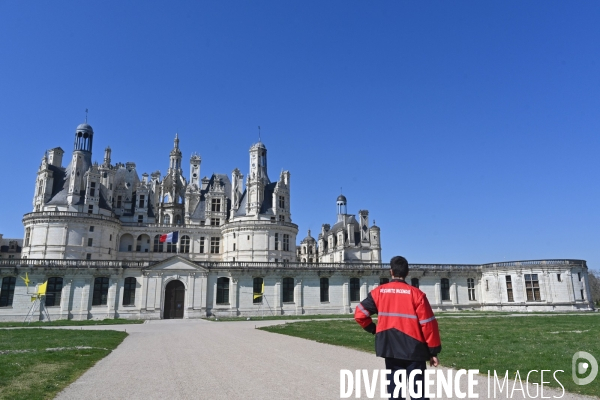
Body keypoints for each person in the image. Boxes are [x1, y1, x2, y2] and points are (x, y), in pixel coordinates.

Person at [354, 256, 442, 400]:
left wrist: (373, 329)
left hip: (390, 348)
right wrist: (433, 351)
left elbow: (360, 314)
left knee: (395, 393)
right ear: (407, 273)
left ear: (391, 272)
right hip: (415, 348)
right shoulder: (417, 294)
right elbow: (429, 324)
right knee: (418, 394)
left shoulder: (379, 292)